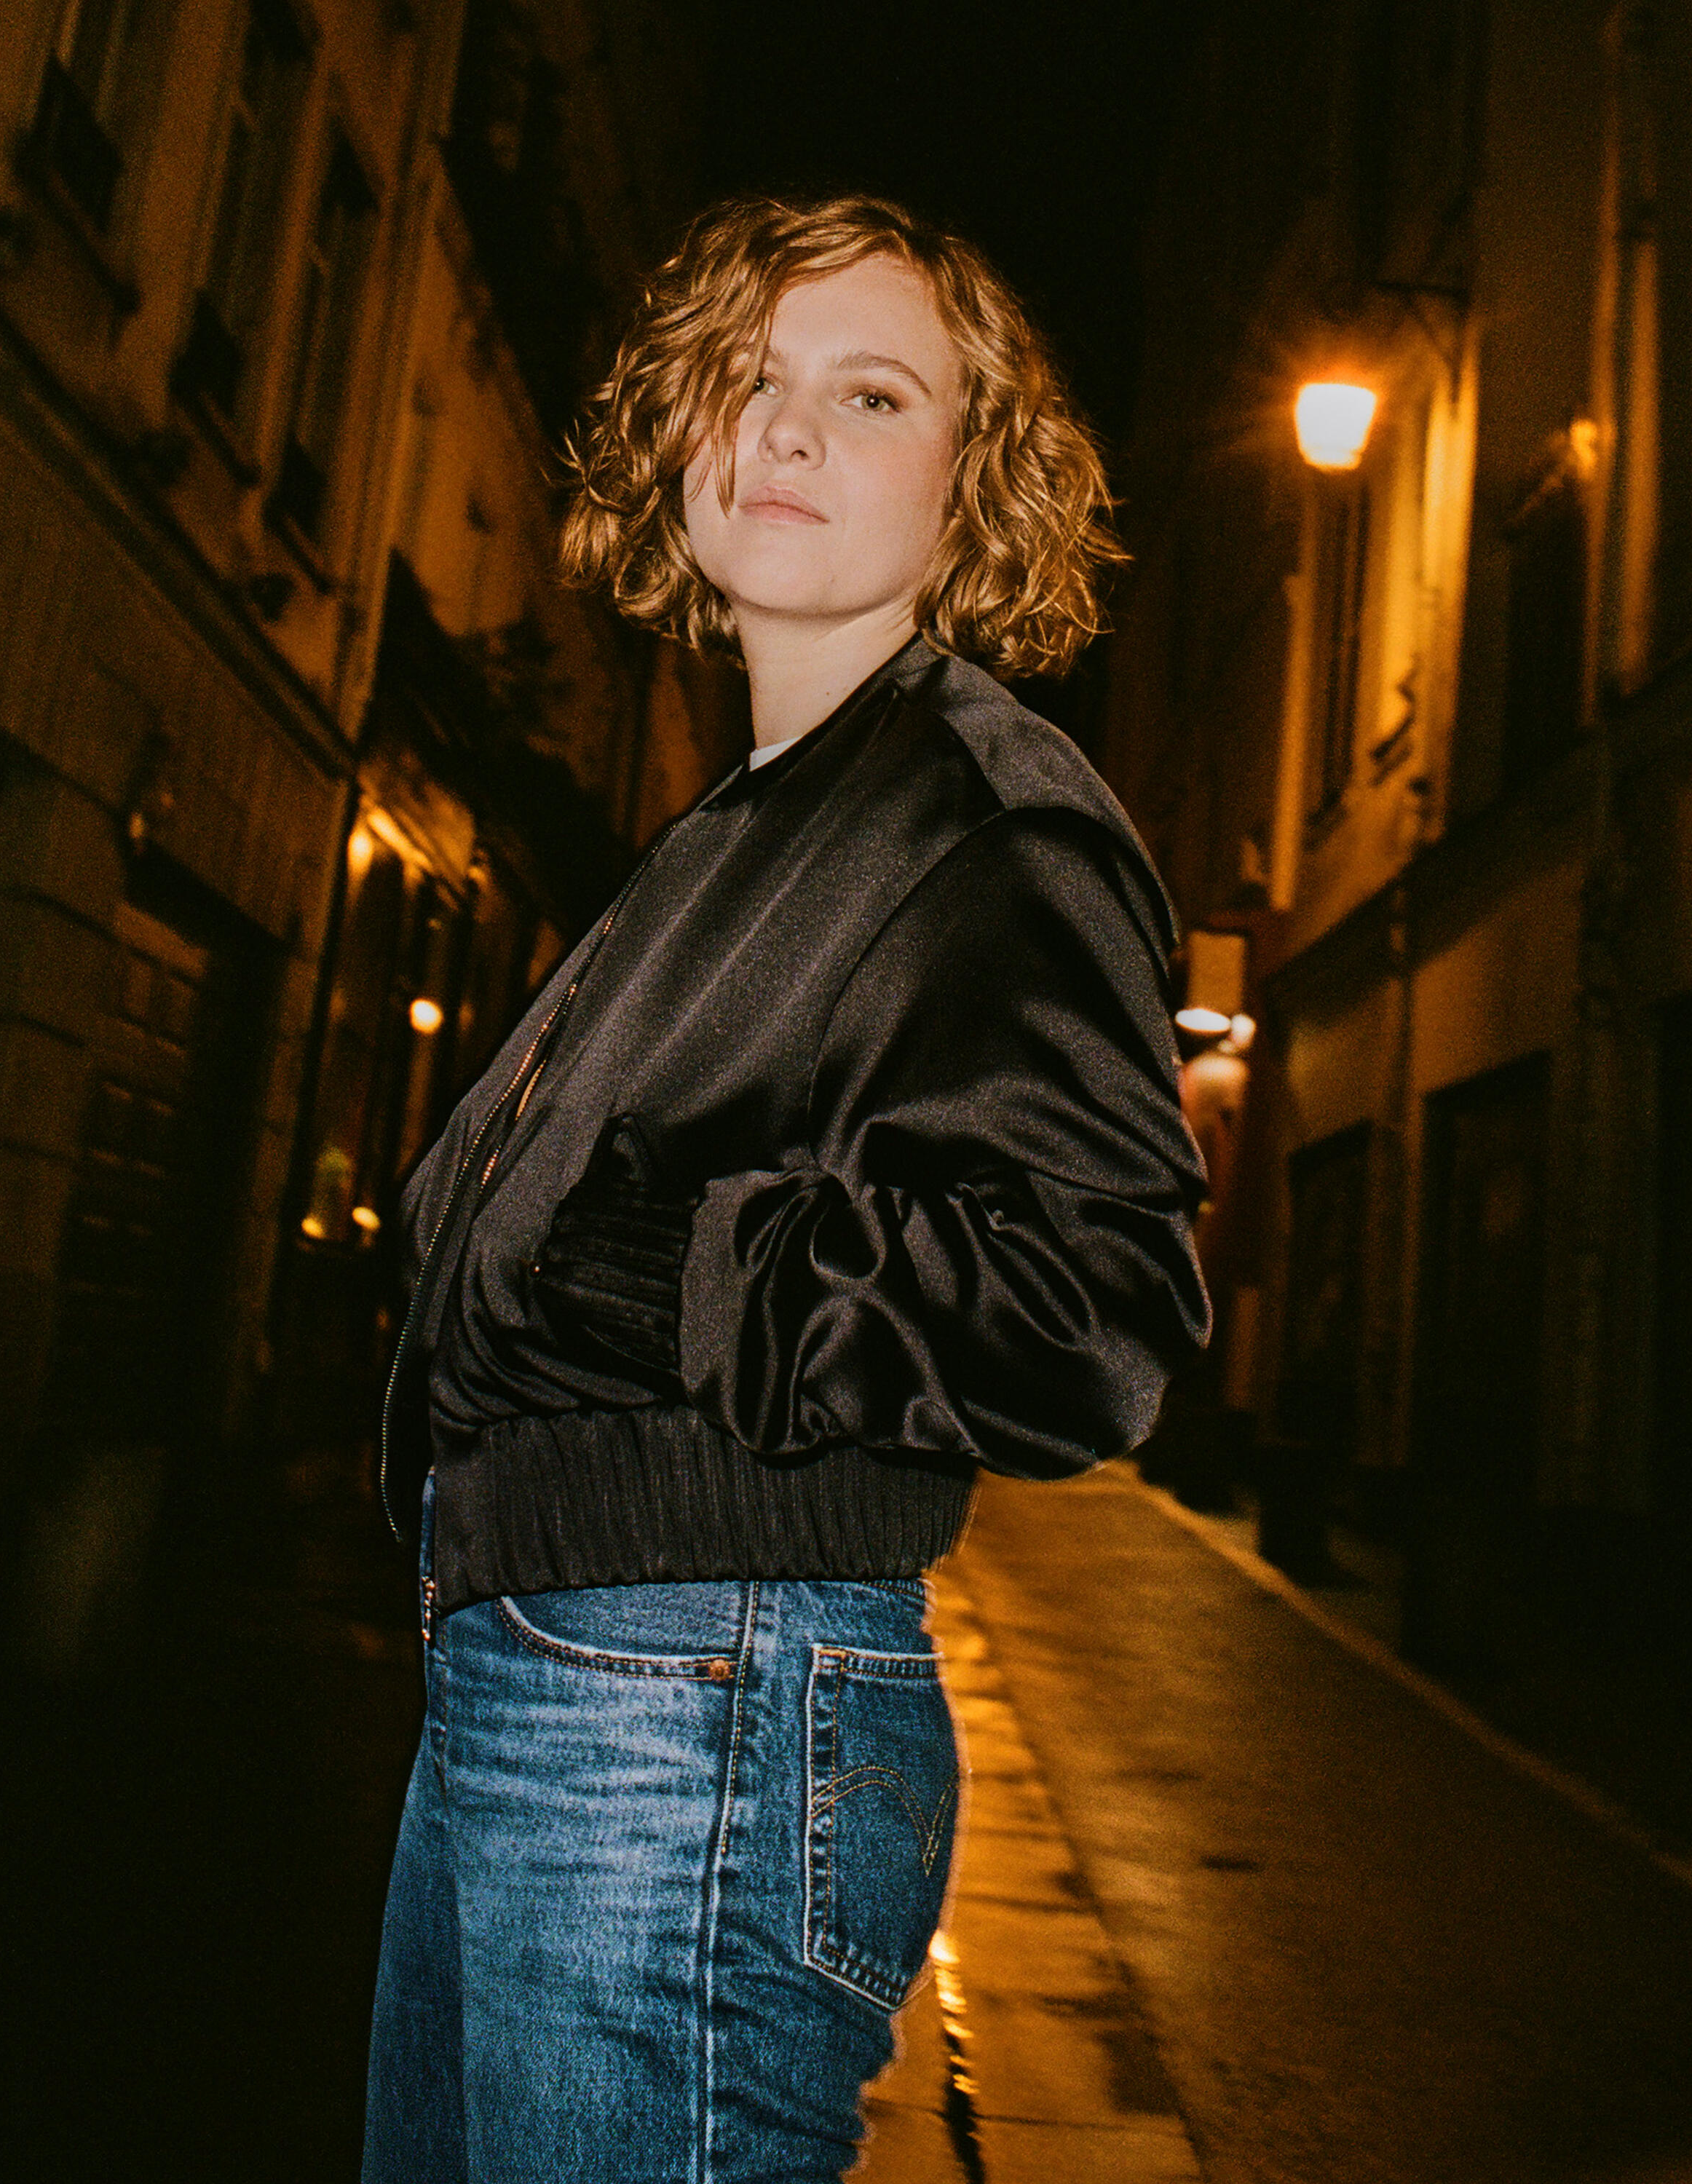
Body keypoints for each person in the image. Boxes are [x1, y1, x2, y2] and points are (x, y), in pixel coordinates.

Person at [360, 192, 1210, 2184]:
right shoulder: (747, 827)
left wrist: (681, 1276)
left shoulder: (983, 812)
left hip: (694, 1704)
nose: (787, 427)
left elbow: (1095, 1302)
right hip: (546, 1673)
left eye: (872, 393)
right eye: (745, 379)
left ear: (972, 485)